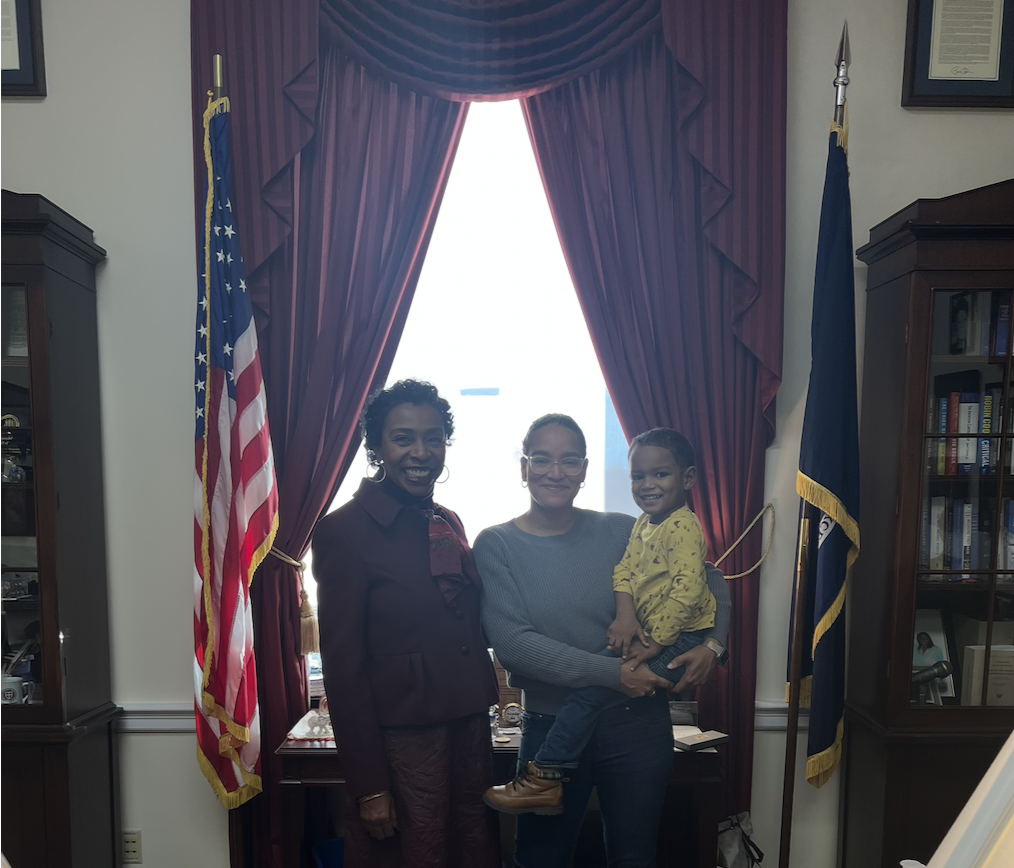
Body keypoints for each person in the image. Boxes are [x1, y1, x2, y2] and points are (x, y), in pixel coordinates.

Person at [475, 414, 732, 868]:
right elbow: (514, 645)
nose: (556, 472)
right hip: (549, 726)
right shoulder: (496, 544)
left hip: (636, 725)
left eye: (569, 461)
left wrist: (713, 645)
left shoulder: (622, 528)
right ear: (523, 468)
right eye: (542, 459)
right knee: (540, 859)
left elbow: (706, 578)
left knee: (634, 857)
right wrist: (614, 674)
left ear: (585, 469)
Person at [312, 379, 501, 868]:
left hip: (468, 732)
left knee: (468, 851)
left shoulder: (448, 521)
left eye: (434, 437)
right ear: (376, 446)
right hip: (401, 747)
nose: (422, 452)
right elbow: (343, 672)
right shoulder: (342, 531)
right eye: (403, 438)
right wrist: (370, 786)